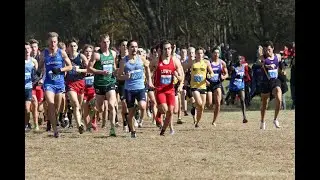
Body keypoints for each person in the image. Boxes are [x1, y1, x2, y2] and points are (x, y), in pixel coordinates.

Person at [38, 32, 72, 137]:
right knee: (51, 105)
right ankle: (55, 131)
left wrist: (60, 69)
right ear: (48, 41)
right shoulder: (44, 53)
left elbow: (70, 66)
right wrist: (40, 73)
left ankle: (54, 120)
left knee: (56, 108)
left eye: (55, 41)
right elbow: (39, 67)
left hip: (60, 83)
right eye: (51, 41)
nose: (53, 44)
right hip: (49, 83)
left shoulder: (62, 53)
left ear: (57, 42)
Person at [118, 40, 153, 138]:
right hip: (129, 90)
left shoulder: (141, 58)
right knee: (130, 113)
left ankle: (137, 108)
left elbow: (147, 68)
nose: (134, 49)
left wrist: (149, 81)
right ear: (128, 48)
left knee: (143, 106)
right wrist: (126, 77)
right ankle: (132, 131)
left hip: (140, 88)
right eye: (132, 47)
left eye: (136, 47)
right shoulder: (123, 61)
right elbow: (119, 76)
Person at [151, 40, 184, 136]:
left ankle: (163, 131)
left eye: (169, 48)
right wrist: (149, 79)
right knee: (165, 109)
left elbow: (181, 76)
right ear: (161, 50)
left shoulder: (175, 61)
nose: (167, 51)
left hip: (170, 90)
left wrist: (180, 82)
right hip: (160, 90)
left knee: (171, 111)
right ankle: (159, 114)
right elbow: (148, 68)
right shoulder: (157, 60)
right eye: (165, 49)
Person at [87, 34, 118, 136]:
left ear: (110, 42)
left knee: (111, 105)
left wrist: (117, 71)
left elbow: (113, 66)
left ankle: (112, 128)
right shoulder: (96, 55)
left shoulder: (113, 53)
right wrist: (101, 72)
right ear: (100, 43)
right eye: (104, 42)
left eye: (107, 42)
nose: (106, 44)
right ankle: (93, 104)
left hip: (110, 83)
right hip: (99, 84)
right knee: (100, 109)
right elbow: (89, 68)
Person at [65, 38, 88, 134]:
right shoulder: (66, 58)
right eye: (71, 46)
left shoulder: (81, 57)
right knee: (75, 104)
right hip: (70, 83)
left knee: (79, 106)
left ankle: (80, 122)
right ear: (68, 48)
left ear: (77, 47)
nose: (73, 47)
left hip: (80, 83)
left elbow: (88, 70)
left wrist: (80, 70)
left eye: (75, 46)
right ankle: (79, 125)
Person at [259, 41, 282, 130]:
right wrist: (268, 66)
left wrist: (282, 69)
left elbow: (280, 65)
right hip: (265, 82)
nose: (267, 52)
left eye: (269, 50)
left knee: (279, 99)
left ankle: (275, 119)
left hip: (275, 81)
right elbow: (261, 62)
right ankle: (262, 121)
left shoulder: (277, 56)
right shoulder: (263, 57)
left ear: (272, 49)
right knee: (265, 104)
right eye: (265, 50)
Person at [227, 57, 248, 123]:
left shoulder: (243, 66)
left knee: (242, 100)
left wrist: (244, 76)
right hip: (233, 86)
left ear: (242, 61)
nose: (239, 61)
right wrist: (231, 68)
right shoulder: (234, 67)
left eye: (240, 60)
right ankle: (229, 100)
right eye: (238, 59)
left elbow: (244, 73)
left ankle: (244, 117)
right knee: (232, 100)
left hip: (241, 86)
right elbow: (230, 71)